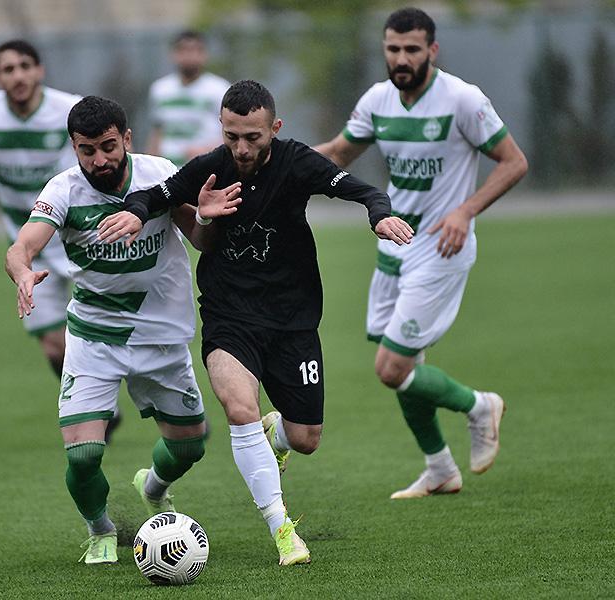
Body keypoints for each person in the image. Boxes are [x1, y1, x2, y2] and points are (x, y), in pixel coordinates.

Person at [98, 80, 413, 565]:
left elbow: (364, 190)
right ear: (221, 129)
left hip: (292, 320)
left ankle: (276, 436)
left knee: (306, 438)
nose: (241, 149)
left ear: (275, 128)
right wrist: (137, 214)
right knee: (240, 408)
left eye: (253, 138)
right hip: (230, 316)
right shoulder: (211, 167)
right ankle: (282, 528)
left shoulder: (297, 162)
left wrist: (379, 216)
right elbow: (153, 195)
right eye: (231, 137)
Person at [315, 7, 528, 499]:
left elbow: (514, 162)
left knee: (391, 367)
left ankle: (479, 406)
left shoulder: (462, 99)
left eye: (412, 49)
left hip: (441, 248)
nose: (401, 58)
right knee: (406, 369)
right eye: (393, 49)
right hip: (395, 244)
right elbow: (340, 153)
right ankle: (439, 469)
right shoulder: (378, 100)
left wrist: (465, 211)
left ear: (432, 50)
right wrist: (274, 159)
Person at [5, 96, 209, 565]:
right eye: (87, 150)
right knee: (82, 455)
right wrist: (21, 272)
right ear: (74, 147)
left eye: (108, 146)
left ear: (127, 139)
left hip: (161, 337)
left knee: (189, 447)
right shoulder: (63, 190)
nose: (99, 159)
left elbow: (199, 238)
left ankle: (152, 487)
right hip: (94, 336)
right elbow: (22, 246)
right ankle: (100, 530)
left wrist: (205, 216)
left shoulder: (160, 174)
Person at [0, 40, 123, 439]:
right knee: (54, 347)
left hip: (83, 235)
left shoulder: (68, 110)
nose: (18, 75)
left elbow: (113, 159)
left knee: (121, 322)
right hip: (29, 246)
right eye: (8, 69)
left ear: (39, 70)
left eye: (25, 66)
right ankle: (99, 406)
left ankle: (106, 397)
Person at [146, 30, 231, 167]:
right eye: (183, 50)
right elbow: (157, 132)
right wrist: (150, 165)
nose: (189, 56)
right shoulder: (160, 89)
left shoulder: (220, 89)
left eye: (195, 50)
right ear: (173, 54)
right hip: (168, 170)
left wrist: (208, 150)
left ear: (205, 54)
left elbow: (232, 132)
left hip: (204, 168)